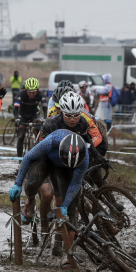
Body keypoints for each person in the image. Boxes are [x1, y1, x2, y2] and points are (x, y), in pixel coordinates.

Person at [34, 93, 107, 255]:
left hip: (66, 163)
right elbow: (38, 152)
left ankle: (61, 245)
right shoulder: (51, 124)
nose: (73, 119)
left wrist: (100, 158)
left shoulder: (82, 123)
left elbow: (89, 142)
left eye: (76, 115)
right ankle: (45, 226)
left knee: (67, 203)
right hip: (47, 160)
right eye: (69, 115)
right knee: (49, 195)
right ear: (61, 112)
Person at [9, 130, 88, 267]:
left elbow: (75, 184)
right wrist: (17, 184)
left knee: (70, 208)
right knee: (33, 182)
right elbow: (28, 157)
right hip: (47, 159)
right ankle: (31, 201)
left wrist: (65, 204)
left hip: (67, 170)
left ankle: (68, 255)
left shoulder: (84, 159)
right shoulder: (51, 142)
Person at [13, 77, 45, 157]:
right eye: (29, 92)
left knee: (39, 131)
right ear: (26, 90)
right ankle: (19, 159)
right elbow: (15, 108)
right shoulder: (21, 94)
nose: (31, 94)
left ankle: (39, 154)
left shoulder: (40, 94)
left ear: (37, 90)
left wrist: (45, 118)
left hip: (34, 114)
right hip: (22, 115)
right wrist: (17, 118)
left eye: (33, 92)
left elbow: (45, 108)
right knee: (21, 137)